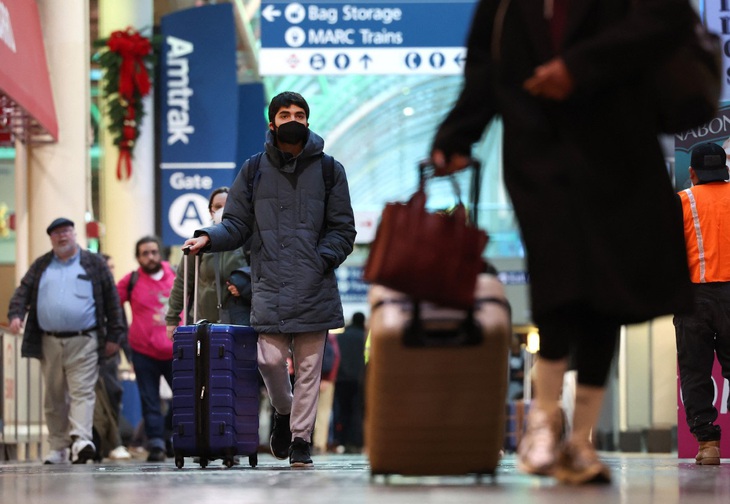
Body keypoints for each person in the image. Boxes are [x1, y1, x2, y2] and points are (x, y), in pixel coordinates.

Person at [430, 0, 695, 484]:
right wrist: (457, 134)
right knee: (559, 273)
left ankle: (580, 441)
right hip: (538, 156)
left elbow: (668, 19)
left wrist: (579, 67)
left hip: (617, 151)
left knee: (605, 289)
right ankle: (544, 422)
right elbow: (486, 67)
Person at [184, 91, 357, 468]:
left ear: (308, 122)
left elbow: (344, 230)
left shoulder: (330, 170)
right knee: (270, 361)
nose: (291, 119)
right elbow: (237, 224)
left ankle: (300, 441)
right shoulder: (254, 170)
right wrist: (208, 237)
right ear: (272, 123)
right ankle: (283, 409)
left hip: (315, 285)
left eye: (298, 113)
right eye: (284, 114)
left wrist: (320, 260)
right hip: (269, 283)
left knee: (310, 368)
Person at [7, 217, 126, 464]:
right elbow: (22, 292)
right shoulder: (41, 265)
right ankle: (58, 446)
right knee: (54, 395)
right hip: (48, 341)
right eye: (57, 233)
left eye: (67, 231)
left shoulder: (93, 263)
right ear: (51, 238)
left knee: (82, 391)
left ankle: (82, 440)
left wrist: (115, 335)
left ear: (75, 234)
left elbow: (112, 300)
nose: (62, 236)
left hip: (85, 339)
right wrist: (16, 315)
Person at [675, 142, 730, 466]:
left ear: (692, 172)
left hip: (693, 297)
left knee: (695, 373)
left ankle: (708, 444)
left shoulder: (682, 202)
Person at [117, 236, 176, 462]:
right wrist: (119, 335)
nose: (150, 257)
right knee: (149, 400)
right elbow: (112, 303)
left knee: (183, 398)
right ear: (138, 257)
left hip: (176, 350)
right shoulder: (131, 280)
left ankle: (170, 435)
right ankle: (156, 444)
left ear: (160, 253)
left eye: (153, 252)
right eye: (144, 253)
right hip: (142, 351)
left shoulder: (177, 275)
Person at [166, 187, 251, 337]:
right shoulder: (200, 241)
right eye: (217, 207)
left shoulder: (248, 240)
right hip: (203, 322)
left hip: (239, 322)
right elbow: (183, 282)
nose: (222, 210)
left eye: (228, 205)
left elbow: (261, 275)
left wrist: (245, 287)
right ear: (210, 211)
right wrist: (172, 318)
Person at [333, 312, 366, 453]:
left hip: (341, 379)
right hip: (360, 379)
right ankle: (357, 441)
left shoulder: (341, 337)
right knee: (358, 410)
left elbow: (336, 357)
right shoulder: (365, 337)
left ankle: (341, 440)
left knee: (342, 410)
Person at [312, 331, 340, 454]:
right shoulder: (330, 337)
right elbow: (336, 357)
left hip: (310, 379)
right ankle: (319, 443)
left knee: (307, 411)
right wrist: (329, 379)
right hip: (325, 380)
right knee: (323, 412)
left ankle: (307, 442)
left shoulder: (309, 335)